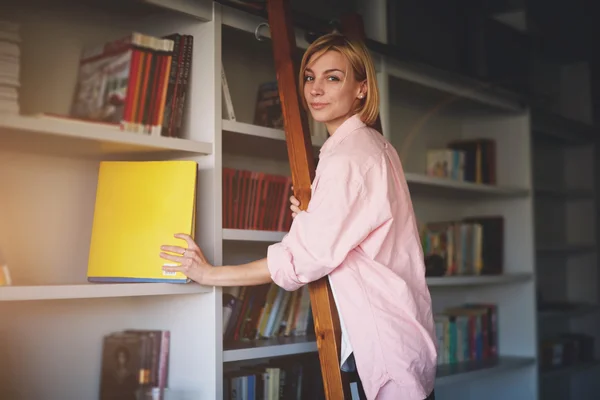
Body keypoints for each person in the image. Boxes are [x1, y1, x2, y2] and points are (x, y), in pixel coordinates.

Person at [159, 33, 437, 400]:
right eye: (310, 77)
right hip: (404, 337)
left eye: (333, 77)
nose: (316, 89)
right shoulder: (375, 146)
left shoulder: (348, 158)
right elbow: (357, 229)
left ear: (361, 89)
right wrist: (314, 215)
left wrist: (210, 274)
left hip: (384, 346)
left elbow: (300, 260)